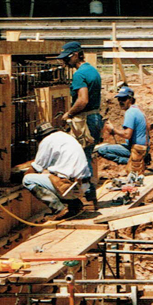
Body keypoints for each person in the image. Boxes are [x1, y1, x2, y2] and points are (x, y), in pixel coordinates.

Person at [58, 41, 103, 206]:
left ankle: (89, 198)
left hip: (86, 120)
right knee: (87, 156)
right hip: (95, 117)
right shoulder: (92, 70)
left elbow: (83, 100)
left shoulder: (79, 74)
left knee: (81, 158)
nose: (65, 62)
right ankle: (90, 197)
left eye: (66, 58)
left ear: (75, 55)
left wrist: (69, 113)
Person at [22, 122, 90, 220]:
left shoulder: (47, 141)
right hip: (84, 185)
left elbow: (37, 167)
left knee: (28, 179)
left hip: (68, 187)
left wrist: (22, 176)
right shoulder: (65, 137)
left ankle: (59, 209)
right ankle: (74, 205)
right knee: (51, 174)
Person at [97, 86, 150, 175]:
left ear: (130, 99)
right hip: (143, 147)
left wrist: (113, 130)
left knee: (102, 150)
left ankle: (135, 161)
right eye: (119, 99)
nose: (121, 102)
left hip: (137, 149)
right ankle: (141, 159)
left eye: (123, 99)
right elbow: (148, 127)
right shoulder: (138, 109)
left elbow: (127, 135)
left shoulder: (130, 112)